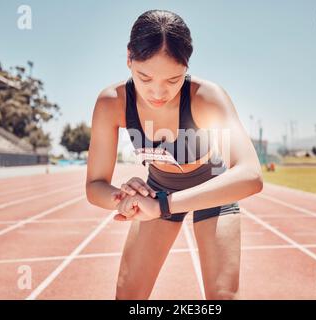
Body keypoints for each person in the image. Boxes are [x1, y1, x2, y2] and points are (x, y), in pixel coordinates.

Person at [85, 9, 263, 300]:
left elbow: (251, 175)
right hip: (157, 191)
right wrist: (123, 200)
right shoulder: (111, 103)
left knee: (223, 297)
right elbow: (95, 186)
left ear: (187, 66)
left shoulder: (206, 97)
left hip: (210, 190)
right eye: (145, 77)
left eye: (173, 80)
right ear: (129, 58)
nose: (158, 92)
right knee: (128, 297)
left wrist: (165, 206)